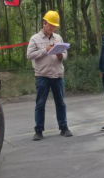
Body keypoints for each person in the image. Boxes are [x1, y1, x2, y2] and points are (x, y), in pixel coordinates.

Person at [27, 11, 72, 141]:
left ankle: (64, 127)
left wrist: (60, 55)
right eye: (50, 25)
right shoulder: (35, 39)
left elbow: (64, 55)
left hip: (57, 75)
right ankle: (38, 130)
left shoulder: (58, 38)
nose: (52, 28)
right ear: (44, 23)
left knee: (61, 103)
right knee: (40, 104)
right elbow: (29, 55)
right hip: (42, 76)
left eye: (54, 26)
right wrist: (44, 50)